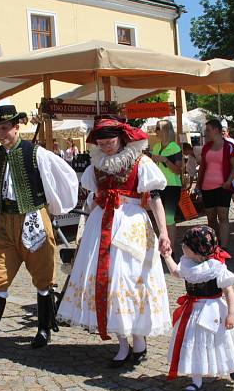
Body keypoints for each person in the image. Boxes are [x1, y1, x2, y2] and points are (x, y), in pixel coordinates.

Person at [0, 105, 79, 353]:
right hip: (5, 223)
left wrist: (54, 206)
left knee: (43, 277)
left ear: (17, 127)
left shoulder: (36, 153)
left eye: (5, 128)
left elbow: (65, 177)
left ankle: (44, 328)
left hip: (34, 218)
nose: (1, 133)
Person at [57, 116, 172, 366]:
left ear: (122, 138)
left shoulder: (141, 162)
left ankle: (139, 340)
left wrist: (163, 231)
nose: (107, 146)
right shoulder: (95, 166)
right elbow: (93, 197)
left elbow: (154, 198)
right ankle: (122, 342)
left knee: (132, 280)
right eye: (102, 143)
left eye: (110, 141)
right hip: (102, 225)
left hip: (132, 226)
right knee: (108, 283)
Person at [162, 225, 234, 391]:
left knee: (223, 341)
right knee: (193, 343)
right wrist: (167, 256)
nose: (182, 247)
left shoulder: (217, 268)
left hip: (214, 310)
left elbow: (229, 291)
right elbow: (177, 273)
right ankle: (196, 380)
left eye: (186, 246)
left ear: (199, 252)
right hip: (192, 312)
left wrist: (231, 313)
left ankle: (233, 366)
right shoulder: (188, 263)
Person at [198, 119, 234, 249]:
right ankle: (216, 242)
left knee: (223, 216)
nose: (206, 133)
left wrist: (228, 181)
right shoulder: (206, 147)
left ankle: (224, 247)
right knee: (210, 217)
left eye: (208, 130)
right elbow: (203, 167)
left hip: (223, 186)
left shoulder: (229, 146)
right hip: (207, 186)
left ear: (216, 130)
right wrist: (198, 184)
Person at [149, 120, 183, 253]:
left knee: (169, 218)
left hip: (172, 186)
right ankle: (162, 246)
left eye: (158, 128)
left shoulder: (175, 147)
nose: (155, 131)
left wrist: (165, 160)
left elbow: (177, 170)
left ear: (165, 130)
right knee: (159, 218)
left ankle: (170, 249)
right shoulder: (156, 147)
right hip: (158, 185)